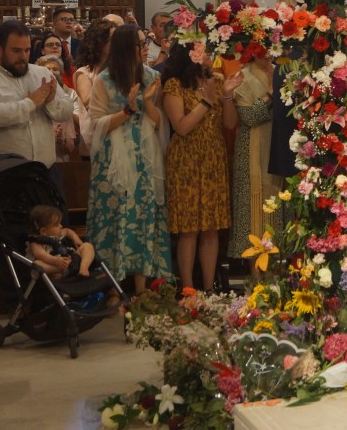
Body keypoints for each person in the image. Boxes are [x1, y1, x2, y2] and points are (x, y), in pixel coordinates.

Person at [86, 25, 170, 294]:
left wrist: (147, 103)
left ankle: (142, 287)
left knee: (144, 216)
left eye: (146, 43)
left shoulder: (153, 76)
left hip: (145, 156)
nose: (146, 49)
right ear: (126, 48)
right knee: (114, 216)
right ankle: (111, 288)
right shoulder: (103, 80)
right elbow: (96, 124)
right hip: (113, 159)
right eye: (141, 44)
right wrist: (127, 110)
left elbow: (160, 125)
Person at [0, 21, 75, 204]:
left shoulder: (41, 73)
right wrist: (30, 103)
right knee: (12, 232)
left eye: (27, 50)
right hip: (1, 174)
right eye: (16, 51)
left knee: (55, 230)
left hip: (44, 170)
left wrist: (50, 101)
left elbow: (65, 111)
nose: (23, 56)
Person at [163, 42, 241, 290]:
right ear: (191, 56)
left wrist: (226, 95)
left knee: (211, 227)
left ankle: (209, 289)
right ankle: (187, 289)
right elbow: (182, 126)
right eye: (205, 51)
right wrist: (206, 102)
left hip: (213, 157)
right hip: (185, 159)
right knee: (189, 229)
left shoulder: (217, 81)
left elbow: (229, 124)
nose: (210, 56)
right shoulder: (175, 85)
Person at [227, 56, 283, 270]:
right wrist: (271, 97)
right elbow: (248, 117)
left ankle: (278, 270)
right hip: (251, 150)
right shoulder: (243, 76)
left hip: (276, 147)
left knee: (277, 204)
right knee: (254, 208)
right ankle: (256, 275)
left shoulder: (280, 70)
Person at [28, 204, 94, 278]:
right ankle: (62, 270)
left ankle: (84, 267)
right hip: (56, 265)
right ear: (43, 231)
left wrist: (76, 239)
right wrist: (54, 260)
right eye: (57, 225)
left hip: (73, 259)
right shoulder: (36, 242)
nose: (61, 226)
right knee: (37, 264)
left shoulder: (59, 233)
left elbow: (68, 231)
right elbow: (41, 255)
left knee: (87, 246)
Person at [36, 55, 78, 162]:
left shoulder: (64, 106)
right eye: (46, 70)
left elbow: (70, 148)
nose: (51, 73)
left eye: (55, 69)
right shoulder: (32, 103)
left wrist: (60, 140)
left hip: (60, 164)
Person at [73, 19, 116, 109]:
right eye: (113, 38)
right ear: (99, 42)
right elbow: (88, 104)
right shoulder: (84, 73)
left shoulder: (120, 68)